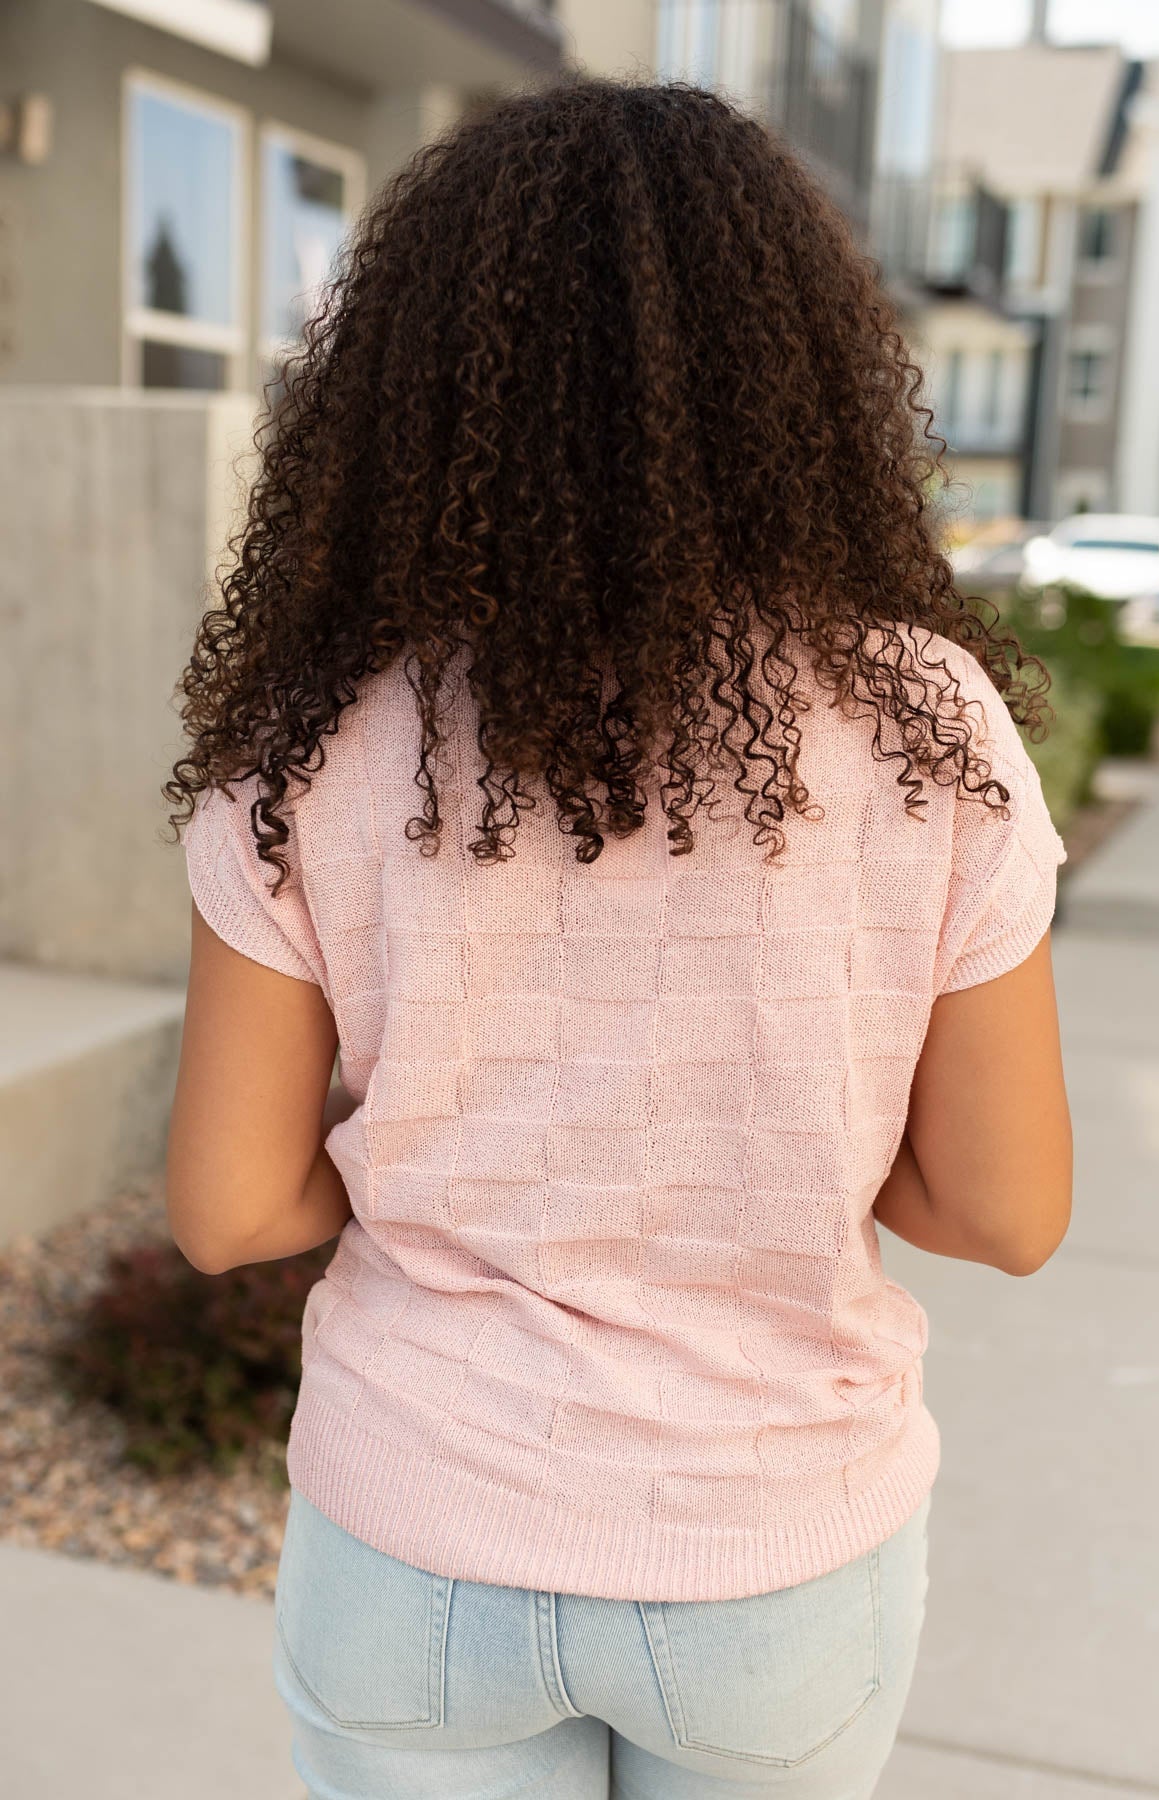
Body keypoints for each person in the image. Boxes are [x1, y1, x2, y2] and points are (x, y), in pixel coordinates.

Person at [164, 75, 1073, 1800]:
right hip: (772, 1557)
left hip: (417, 1543)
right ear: (798, 381)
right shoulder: (922, 727)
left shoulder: (316, 736)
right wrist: (770, 1139)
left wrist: (459, 1155)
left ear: (409, 389)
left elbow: (226, 1206)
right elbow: (1005, 1209)